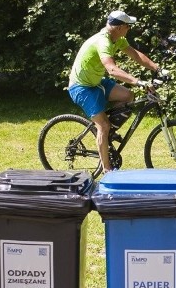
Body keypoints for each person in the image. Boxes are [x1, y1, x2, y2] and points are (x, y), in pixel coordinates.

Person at [67, 10, 161, 172]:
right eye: (127, 26)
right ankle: (107, 169)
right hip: (81, 87)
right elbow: (111, 69)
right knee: (103, 126)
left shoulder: (117, 39)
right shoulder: (103, 42)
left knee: (128, 96)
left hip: (95, 82)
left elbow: (135, 55)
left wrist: (157, 68)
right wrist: (138, 82)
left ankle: (108, 132)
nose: (129, 29)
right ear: (119, 27)